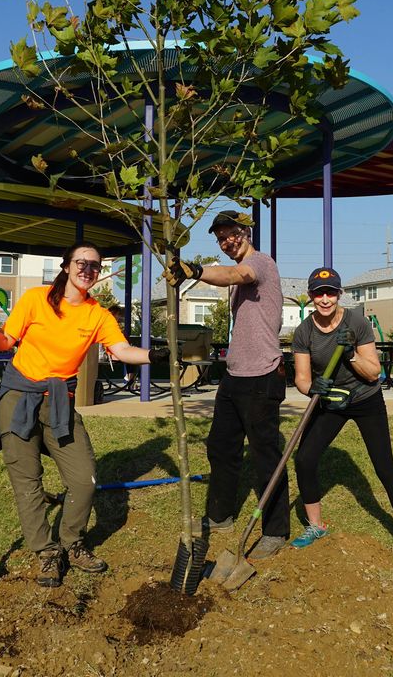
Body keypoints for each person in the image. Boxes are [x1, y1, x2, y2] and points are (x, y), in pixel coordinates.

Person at [0, 241, 165, 588]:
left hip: (60, 400)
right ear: (65, 266)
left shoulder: (97, 315)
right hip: (18, 396)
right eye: (81, 262)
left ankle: (72, 543)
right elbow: (7, 342)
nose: (87, 270)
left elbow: (120, 350)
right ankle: (47, 553)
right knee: (27, 481)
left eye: (95, 265)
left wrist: (154, 355)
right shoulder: (35, 298)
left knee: (84, 478)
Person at [165, 210, 288, 559]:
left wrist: (196, 270)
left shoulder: (261, 263)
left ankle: (275, 530)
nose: (226, 242)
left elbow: (237, 273)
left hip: (263, 374)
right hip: (234, 374)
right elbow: (229, 275)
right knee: (221, 448)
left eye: (231, 234)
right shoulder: (234, 278)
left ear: (246, 231)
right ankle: (220, 515)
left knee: (266, 456)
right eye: (220, 239)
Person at [290, 267, 393, 571]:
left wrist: (349, 354)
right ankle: (316, 525)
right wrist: (314, 388)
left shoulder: (356, 322)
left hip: (365, 400)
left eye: (330, 292)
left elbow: (374, 372)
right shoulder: (304, 332)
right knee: (305, 459)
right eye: (319, 293)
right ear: (311, 296)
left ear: (339, 294)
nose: (325, 299)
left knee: (384, 467)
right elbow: (301, 378)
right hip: (332, 401)